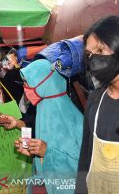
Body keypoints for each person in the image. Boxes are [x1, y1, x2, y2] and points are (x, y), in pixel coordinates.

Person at [14, 59, 83, 194]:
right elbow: (46, 154)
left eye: (28, 82)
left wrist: (47, 152)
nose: (25, 87)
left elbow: (83, 164)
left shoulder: (70, 116)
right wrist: (32, 151)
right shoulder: (43, 107)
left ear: (44, 82)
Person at [76, 16, 119, 194]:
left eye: (100, 50)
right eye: (90, 55)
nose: (94, 60)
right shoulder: (95, 100)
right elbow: (85, 158)